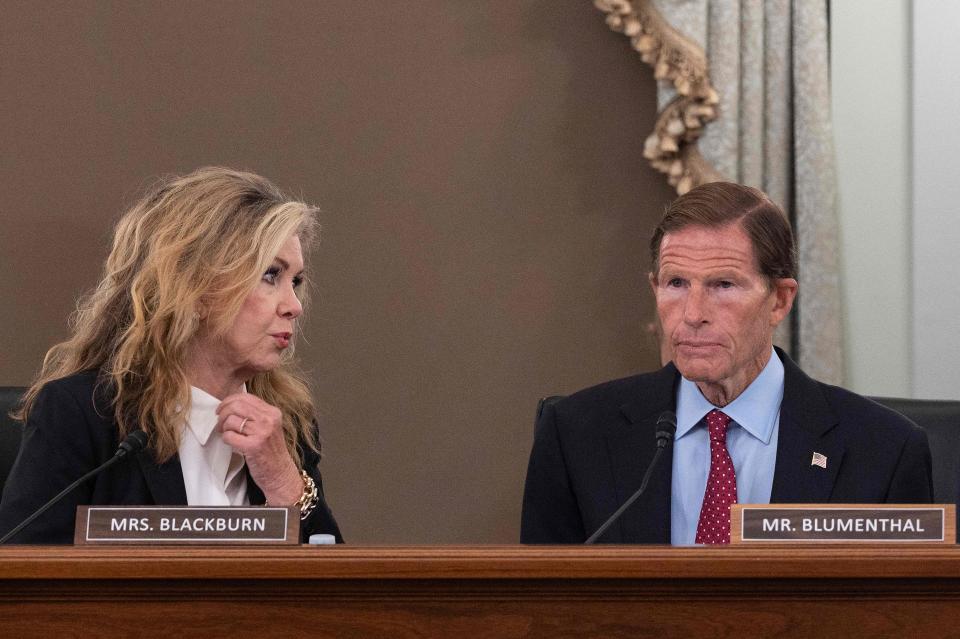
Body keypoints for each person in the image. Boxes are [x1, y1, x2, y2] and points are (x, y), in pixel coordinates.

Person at [521, 181, 932, 545]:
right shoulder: (576, 434)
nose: (693, 313)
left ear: (780, 300)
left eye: (723, 284)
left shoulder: (884, 450)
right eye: (676, 283)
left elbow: (904, 616)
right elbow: (541, 610)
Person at [0, 167, 342, 543]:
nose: (294, 305)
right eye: (270, 275)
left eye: (295, 281)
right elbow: (23, 579)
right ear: (194, 288)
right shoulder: (86, 414)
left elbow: (339, 596)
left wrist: (285, 484)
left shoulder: (288, 424)